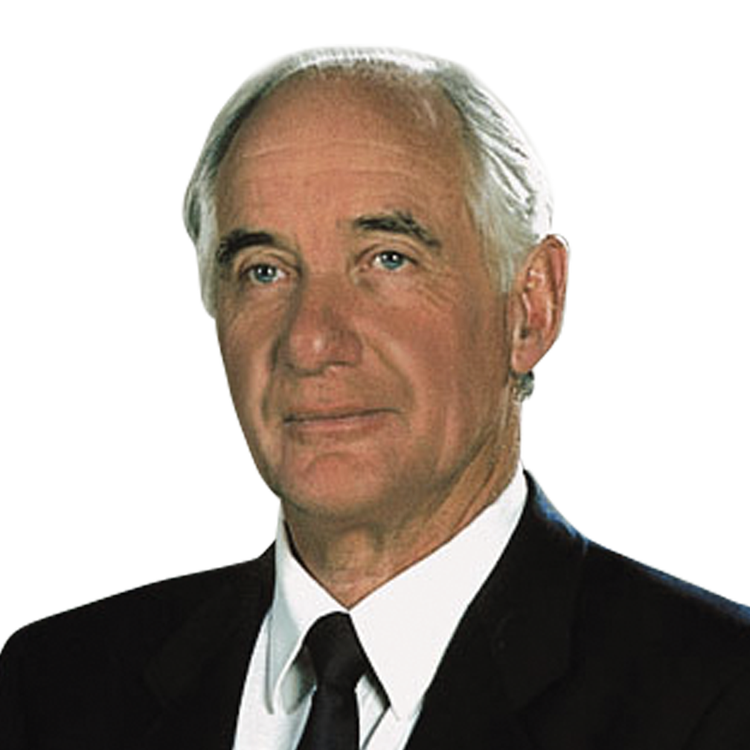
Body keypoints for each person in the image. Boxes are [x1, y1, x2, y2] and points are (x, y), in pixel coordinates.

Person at [1, 44, 748, 749]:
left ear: (531, 307)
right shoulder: (57, 686)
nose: (309, 341)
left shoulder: (719, 692)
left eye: (387, 259)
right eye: (264, 270)